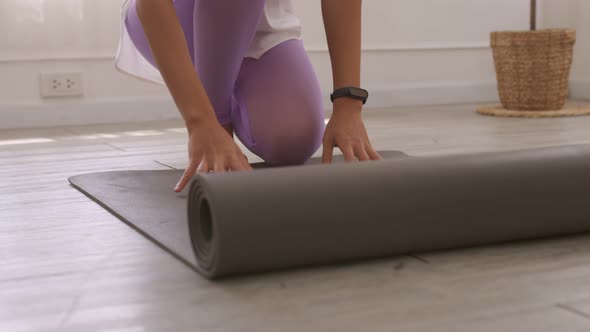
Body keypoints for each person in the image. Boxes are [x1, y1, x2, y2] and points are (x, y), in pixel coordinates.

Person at [116, 0, 381, 192]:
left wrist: (348, 105)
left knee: (292, 140)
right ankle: (219, 121)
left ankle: (225, 89)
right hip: (175, 14)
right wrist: (202, 123)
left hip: (262, 25)